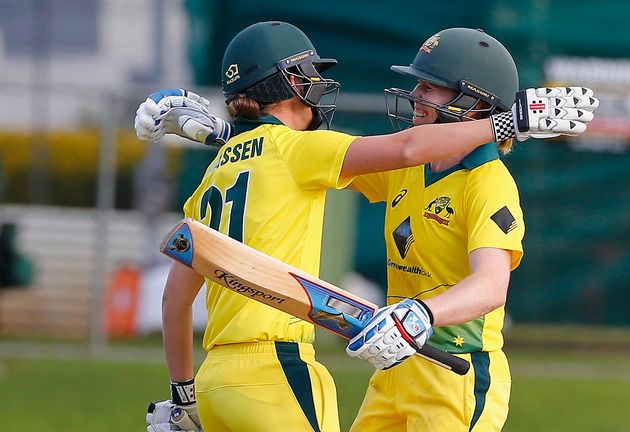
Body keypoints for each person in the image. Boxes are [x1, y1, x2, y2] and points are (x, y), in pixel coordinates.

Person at [134, 22, 587, 432]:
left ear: (474, 104)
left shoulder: (489, 183)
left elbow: (491, 287)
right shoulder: (405, 170)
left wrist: (421, 316)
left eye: (431, 89)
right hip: (393, 369)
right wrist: (228, 131)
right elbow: (293, 156)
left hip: (455, 369)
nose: (415, 97)